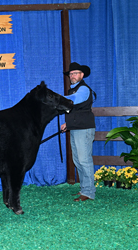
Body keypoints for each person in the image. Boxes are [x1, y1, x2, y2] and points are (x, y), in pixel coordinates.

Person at [61, 62, 96, 202]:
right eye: (71, 74)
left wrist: (56, 99)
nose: (72, 76)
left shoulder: (83, 89)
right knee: (78, 160)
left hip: (84, 129)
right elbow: (75, 109)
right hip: (76, 128)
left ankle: (89, 192)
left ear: (82, 75)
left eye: (75, 73)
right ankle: (84, 189)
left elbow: (75, 101)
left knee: (84, 160)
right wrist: (67, 123)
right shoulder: (73, 90)